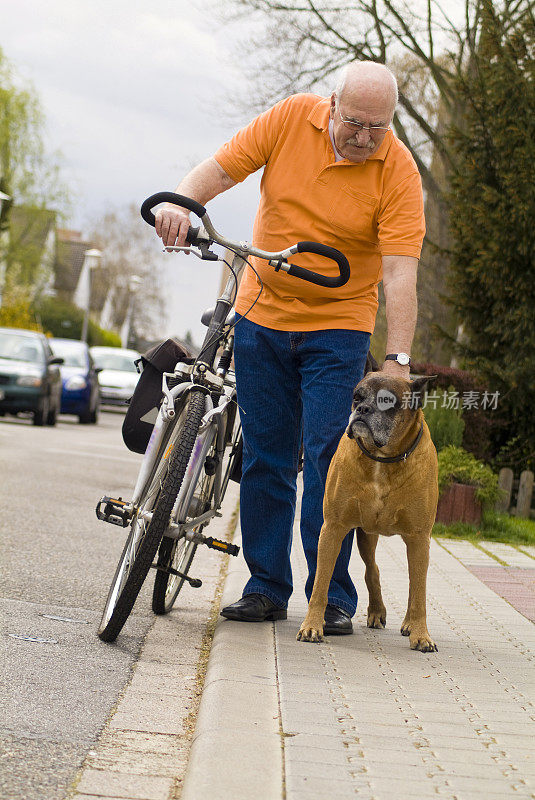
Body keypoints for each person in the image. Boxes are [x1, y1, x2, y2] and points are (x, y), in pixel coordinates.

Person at [155, 61, 425, 634]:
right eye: (353, 122)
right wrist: (181, 202)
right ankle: (266, 587)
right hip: (263, 311)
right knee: (268, 455)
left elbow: (401, 274)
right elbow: (222, 168)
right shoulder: (289, 119)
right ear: (331, 105)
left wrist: (398, 361)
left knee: (330, 456)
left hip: (340, 324)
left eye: (377, 128)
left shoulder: (397, 169)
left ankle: (332, 595)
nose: (363, 137)